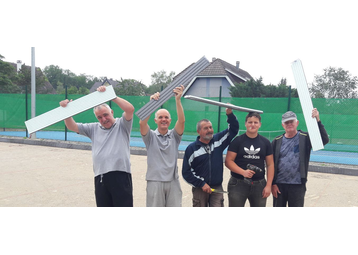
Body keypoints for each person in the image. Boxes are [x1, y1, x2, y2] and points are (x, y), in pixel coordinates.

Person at [59, 85, 135, 207]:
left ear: (112, 112)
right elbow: (72, 126)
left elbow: (130, 109)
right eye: (99, 117)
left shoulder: (122, 125)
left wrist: (112, 96)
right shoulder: (93, 128)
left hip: (121, 175)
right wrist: (67, 112)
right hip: (101, 177)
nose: (104, 119)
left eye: (106, 115)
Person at [271, 109, 329, 207]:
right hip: (279, 185)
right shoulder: (276, 141)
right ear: (283, 125)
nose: (289, 124)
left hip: (297, 185)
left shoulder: (305, 137)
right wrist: (272, 183)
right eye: (286, 122)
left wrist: (318, 121)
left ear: (297, 123)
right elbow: (271, 164)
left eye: (291, 121)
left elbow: (324, 140)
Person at [182, 108, 239, 207]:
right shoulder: (192, 149)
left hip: (217, 188)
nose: (209, 130)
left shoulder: (218, 141)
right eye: (205, 128)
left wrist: (230, 114)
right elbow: (186, 172)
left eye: (210, 127)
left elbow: (233, 129)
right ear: (198, 131)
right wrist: (201, 184)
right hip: (200, 189)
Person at [139, 85, 185, 207]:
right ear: (155, 121)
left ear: (170, 121)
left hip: (173, 181)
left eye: (166, 117)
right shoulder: (150, 137)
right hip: (155, 182)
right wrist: (151, 105)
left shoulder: (175, 136)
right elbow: (142, 123)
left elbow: (181, 121)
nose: (163, 119)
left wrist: (178, 100)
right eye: (160, 117)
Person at [225, 112, 274, 207]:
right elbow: (228, 161)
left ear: (260, 124)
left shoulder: (266, 142)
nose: (252, 125)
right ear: (245, 124)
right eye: (250, 122)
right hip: (238, 183)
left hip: (259, 184)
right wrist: (243, 172)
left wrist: (268, 185)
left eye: (255, 122)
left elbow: (270, 164)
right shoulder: (237, 141)